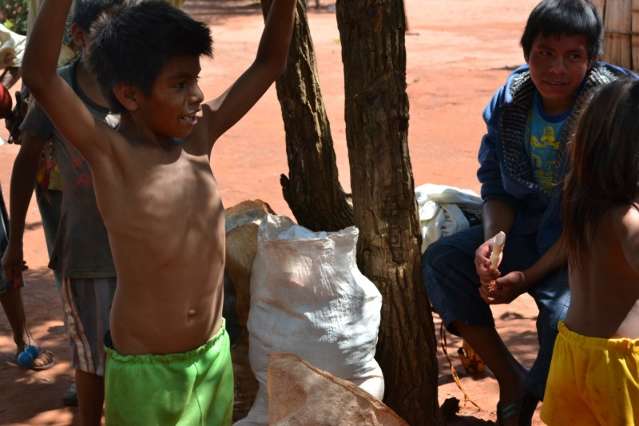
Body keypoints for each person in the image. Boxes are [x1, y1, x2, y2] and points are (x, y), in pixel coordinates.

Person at [22, 0, 295, 424]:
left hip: (212, 358)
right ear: (130, 94)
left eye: (197, 80)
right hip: (147, 373)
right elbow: (39, 77)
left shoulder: (200, 135)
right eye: (181, 84)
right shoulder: (109, 151)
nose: (198, 96)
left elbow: (269, 62)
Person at [421, 1, 636, 424]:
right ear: (526, 52)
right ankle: (511, 379)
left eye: (573, 56)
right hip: (526, 233)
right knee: (443, 262)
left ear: (592, 58)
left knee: (563, 320)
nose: (557, 68)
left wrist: (530, 275)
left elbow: (587, 218)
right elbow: (497, 187)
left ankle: (533, 396)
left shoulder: (610, 110)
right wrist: (492, 247)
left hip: (581, 246)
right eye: (546, 53)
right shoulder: (510, 105)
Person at [5, 1, 123, 423]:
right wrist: (15, 239)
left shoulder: (137, 87)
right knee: (90, 340)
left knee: (130, 346)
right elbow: (26, 159)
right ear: (77, 37)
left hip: (133, 250)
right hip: (77, 227)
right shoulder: (60, 87)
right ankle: (85, 371)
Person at [541, 78, 639, 424]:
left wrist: (526, 276)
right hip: (619, 366)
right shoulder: (629, 222)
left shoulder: (580, 202)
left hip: (572, 353)